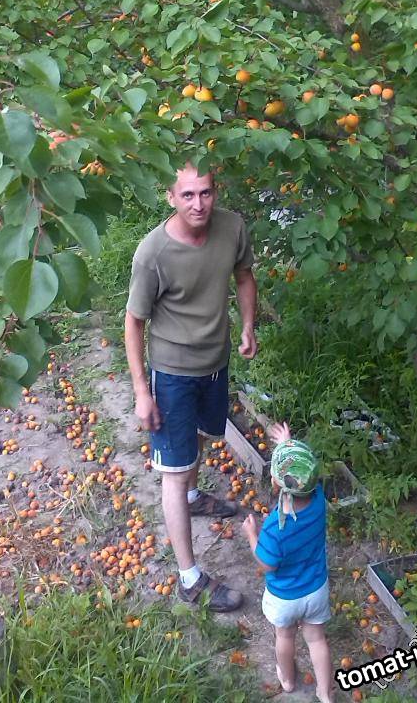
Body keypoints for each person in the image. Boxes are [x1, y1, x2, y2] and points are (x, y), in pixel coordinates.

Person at [124, 160, 258, 612]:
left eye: (205, 193)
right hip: (173, 373)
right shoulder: (153, 253)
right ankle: (189, 578)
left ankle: (195, 498)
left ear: (215, 193)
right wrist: (142, 392)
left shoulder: (232, 228)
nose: (198, 204)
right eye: (187, 195)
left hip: (215, 362)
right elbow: (133, 322)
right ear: (170, 197)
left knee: (203, 436)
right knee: (175, 470)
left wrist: (248, 326)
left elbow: (244, 275)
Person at [241, 422, 334, 702]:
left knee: (285, 637)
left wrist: (252, 535)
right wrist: (287, 443)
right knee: (316, 639)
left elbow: (267, 564)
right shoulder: (318, 500)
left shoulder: (274, 528)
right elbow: (301, 473)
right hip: (316, 589)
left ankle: (289, 679)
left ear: (276, 483)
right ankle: (325, 691)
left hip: (285, 596)